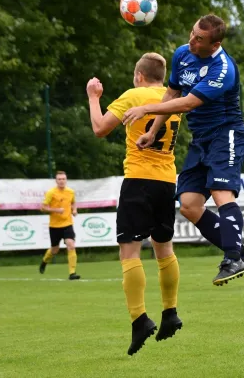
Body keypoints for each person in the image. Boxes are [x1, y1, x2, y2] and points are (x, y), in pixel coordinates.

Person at [122, 14, 244, 289]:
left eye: (199, 39)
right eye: (192, 33)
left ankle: (232, 258)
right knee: (189, 205)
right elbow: (171, 95)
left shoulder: (223, 69)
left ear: (214, 43)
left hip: (226, 134)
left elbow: (187, 104)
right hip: (201, 140)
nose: (192, 40)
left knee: (221, 192)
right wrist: (153, 131)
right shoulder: (183, 54)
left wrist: (146, 108)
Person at [86, 52, 182, 356]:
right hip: (167, 181)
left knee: (129, 249)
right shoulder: (173, 99)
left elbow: (101, 128)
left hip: (139, 180)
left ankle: (139, 319)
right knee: (164, 248)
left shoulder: (135, 95)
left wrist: (93, 97)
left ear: (138, 74)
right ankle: (170, 312)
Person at [39, 171, 80, 279]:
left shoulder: (70, 192)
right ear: (56, 181)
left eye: (63, 179)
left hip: (67, 223)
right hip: (54, 226)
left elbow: (73, 202)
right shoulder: (51, 193)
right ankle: (44, 261)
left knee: (71, 244)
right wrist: (56, 210)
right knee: (54, 250)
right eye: (59, 179)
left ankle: (72, 273)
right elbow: (43, 207)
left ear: (66, 180)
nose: (61, 181)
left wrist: (74, 210)